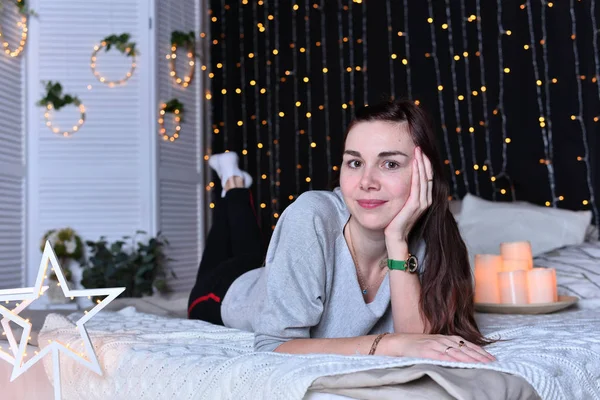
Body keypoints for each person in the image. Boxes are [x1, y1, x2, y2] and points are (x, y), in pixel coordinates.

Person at [189, 99, 496, 363]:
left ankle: (234, 183)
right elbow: (274, 347)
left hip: (278, 271)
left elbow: (415, 343)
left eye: (389, 164)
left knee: (253, 249)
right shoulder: (311, 215)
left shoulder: (429, 235)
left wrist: (397, 240)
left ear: (424, 172)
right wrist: (385, 344)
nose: (366, 182)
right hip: (225, 290)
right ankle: (233, 185)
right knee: (239, 245)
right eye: (354, 162)